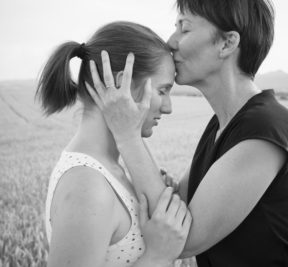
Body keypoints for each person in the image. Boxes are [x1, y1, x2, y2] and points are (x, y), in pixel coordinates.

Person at [87, 0, 288, 266]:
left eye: (184, 29)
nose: (171, 42)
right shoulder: (222, 125)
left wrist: (127, 135)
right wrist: (169, 197)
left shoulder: (266, 129)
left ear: (227, 43)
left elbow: (181, 238)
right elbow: (175, 210)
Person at [36, 21, 192, 267]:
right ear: (122, 84)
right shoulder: (86, 187)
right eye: (163, 91)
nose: (168, 107)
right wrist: (157, 257)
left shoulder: (108, 169)